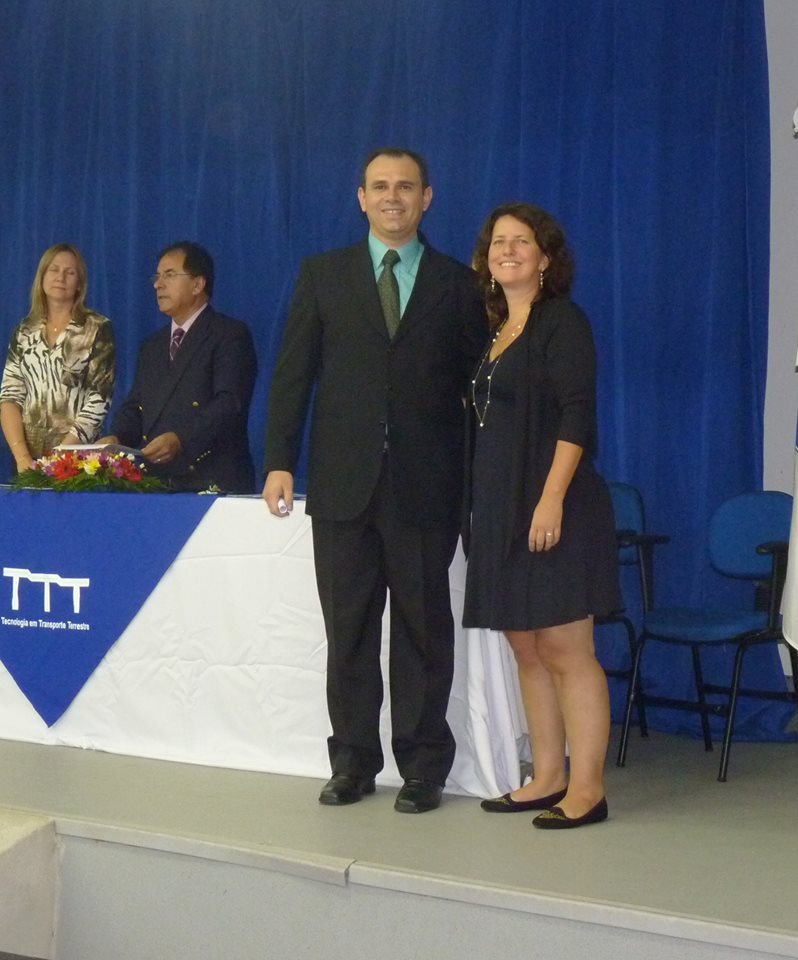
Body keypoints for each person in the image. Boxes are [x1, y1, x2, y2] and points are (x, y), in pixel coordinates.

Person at [263, 148, 486, 813]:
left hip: (426, 486)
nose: (393, 197)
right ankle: (353, 762)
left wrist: (477, 486)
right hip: (342, 485)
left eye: (406, 186)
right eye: (380, 186)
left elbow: (476, 394)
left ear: (427, 197)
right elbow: (293, 375)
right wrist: (279, 459)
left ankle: (423, 766)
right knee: (350, 631)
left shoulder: (459, 284)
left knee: (422, 632)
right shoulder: (323, 275)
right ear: (361, 197)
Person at [464, 202, 620, 829]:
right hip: (501, 510)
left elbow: (577, 413)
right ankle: (548, 776)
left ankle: (587, 789)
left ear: (545, 258)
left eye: (521, 241)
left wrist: (551, 497)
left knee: (565, 648)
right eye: (497, 242)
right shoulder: (494, 332)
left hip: (558, 505)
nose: (507, 250)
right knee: (526, 647)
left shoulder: (562, 322)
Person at [100, 241, 257, 493]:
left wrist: (180, 439)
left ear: (198, 284)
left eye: (170, 275)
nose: (158, 284)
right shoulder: (152, 345)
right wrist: (116, 438)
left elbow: (229, 403)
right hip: (157, 483)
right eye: (157, 277)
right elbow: (136, 406)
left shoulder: (229, 334)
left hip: (211, 481)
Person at [0, 243, 115, 471]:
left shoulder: (97, 328)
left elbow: (99, 400)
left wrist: (58, 459)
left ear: (79, 283)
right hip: (27, 464)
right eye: (54, 270)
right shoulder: (24, 330)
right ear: (42, 277)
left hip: (77, 463)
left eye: (69, 272)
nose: (60, 277)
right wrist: (22, 457)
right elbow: (9, 397)